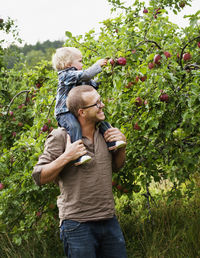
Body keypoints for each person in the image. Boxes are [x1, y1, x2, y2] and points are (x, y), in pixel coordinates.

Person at [32, 85, 127, 258]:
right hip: (77, 224)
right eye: (96, 103)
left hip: (109, 219)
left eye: (100, 100)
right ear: (82, 112)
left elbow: (115, 167)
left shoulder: (104, 133)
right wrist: (67, 156)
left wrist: (121, 147)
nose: (102, 105)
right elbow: (39, 176)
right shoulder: (61, 136)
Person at [52, 47, 126, 165]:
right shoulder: (66, 75)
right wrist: (97, 65)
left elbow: (94, 83)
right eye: (80, 61)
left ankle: (112, 143)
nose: (82, 64)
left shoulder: (80, 77)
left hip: (79, 109)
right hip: (64, 112)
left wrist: (109, 70)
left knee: (101, 121)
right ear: (67, 64)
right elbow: (86, 74)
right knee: (74, 127)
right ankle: (78, 155)